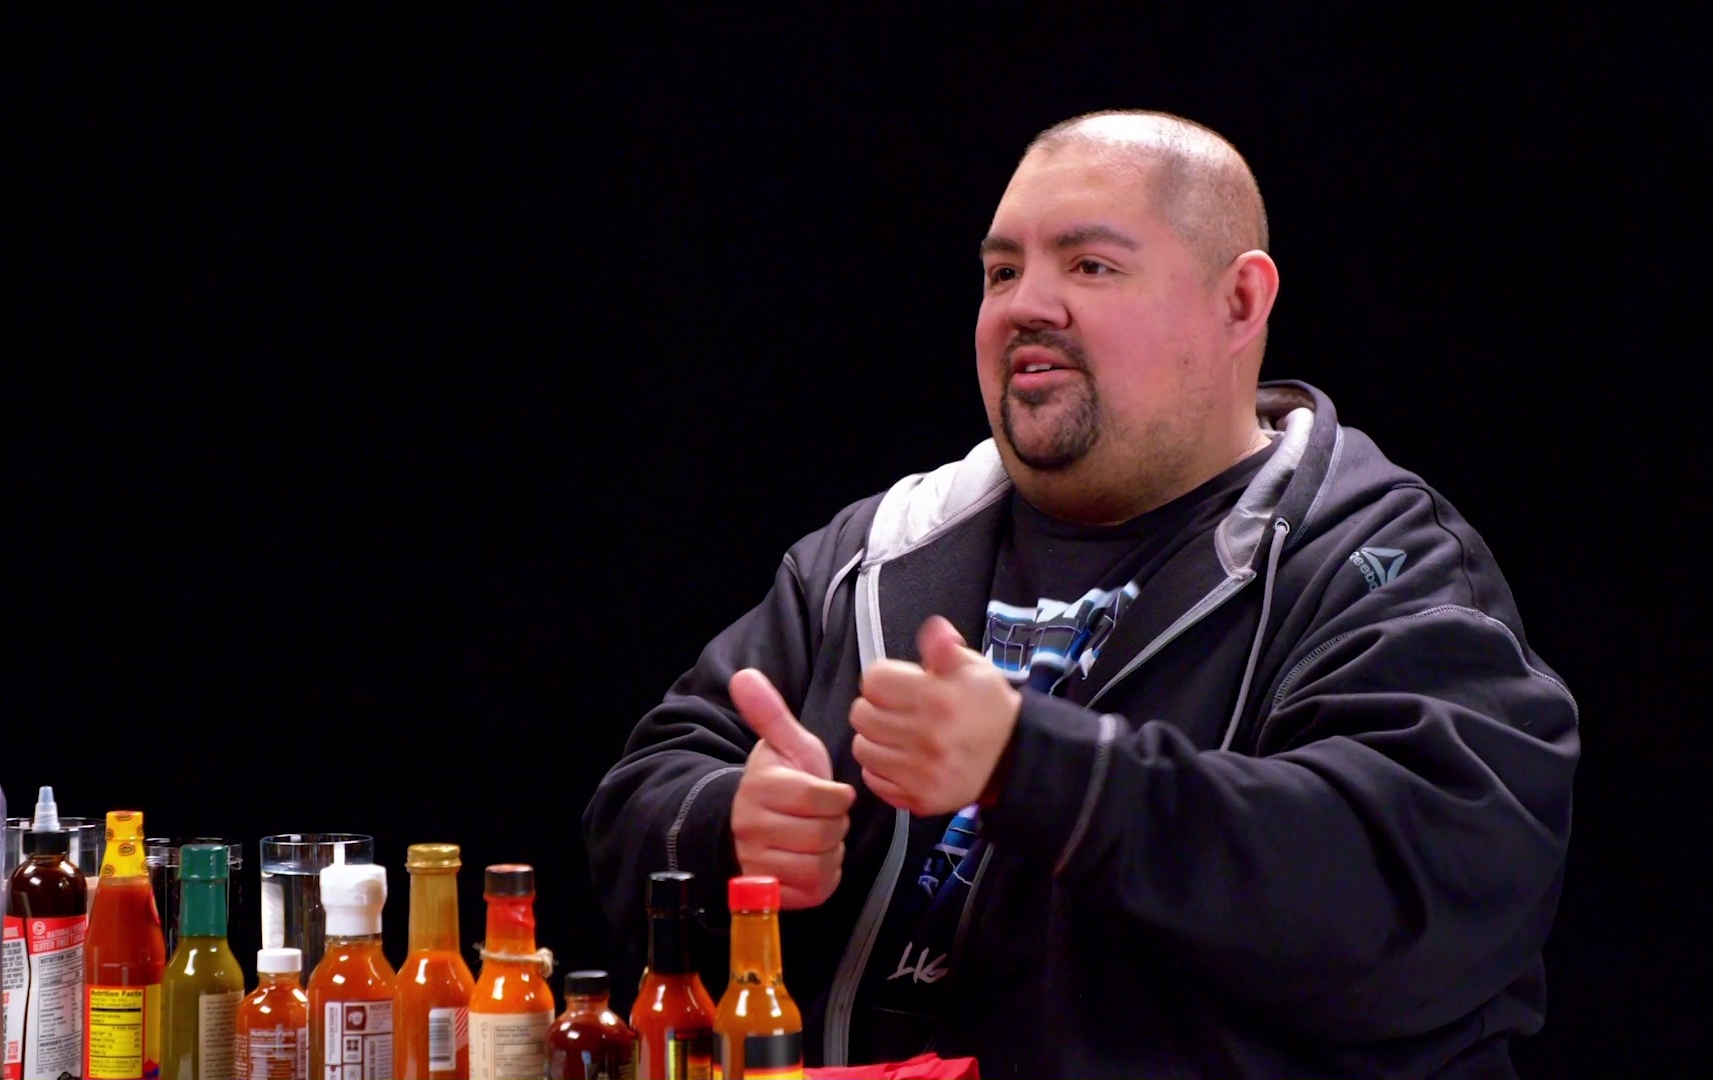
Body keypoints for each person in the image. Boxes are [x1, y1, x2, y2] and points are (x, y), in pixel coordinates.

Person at [583, 110, 1578, 1079]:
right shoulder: (879, 550)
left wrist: (1039, 767)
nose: (1028, 304)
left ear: (1240, 303)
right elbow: (643, 794)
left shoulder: (1375, 563)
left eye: (1090, 266)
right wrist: (733, 826)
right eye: (1001, 272)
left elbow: (1423, 892)